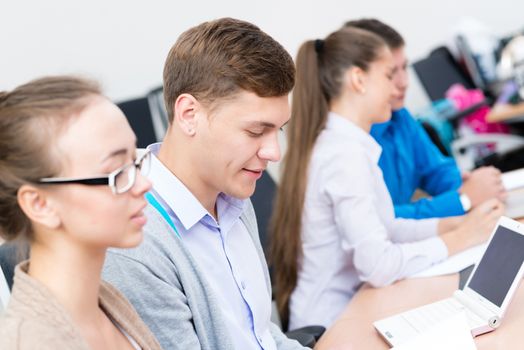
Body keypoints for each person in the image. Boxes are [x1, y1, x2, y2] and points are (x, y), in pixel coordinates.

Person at [270, 27, 504, 330]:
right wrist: (460, 238)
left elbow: (387, 227)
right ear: (358, 79)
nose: (396, 87)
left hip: (358, 305)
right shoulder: (342, 155)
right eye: (388, 75)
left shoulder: (352, 143)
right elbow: (377, 265)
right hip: (333, 324)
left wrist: (455, 225)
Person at [102, 18, 306, 350]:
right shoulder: (136, 243)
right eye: (256, 131)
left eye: (278, 130)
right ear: (188, 115)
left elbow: (264, 336)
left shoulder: (234, 198)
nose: (274, 153)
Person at [0, 76, 161, 349]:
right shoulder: (28, 342)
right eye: (115, 172)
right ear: (40, 204)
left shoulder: (107, 301)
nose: (144, 184)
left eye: (135, 162)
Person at [344, 18, 506, 219]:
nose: (403, 83)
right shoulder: (346, 142)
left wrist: (471, 186)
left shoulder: (399, 116)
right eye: (390, 73)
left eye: (404, 68)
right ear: (359, 79)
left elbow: (434, 170)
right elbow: (376, 221)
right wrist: (462, 199)